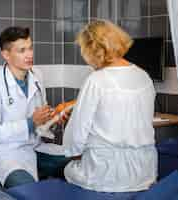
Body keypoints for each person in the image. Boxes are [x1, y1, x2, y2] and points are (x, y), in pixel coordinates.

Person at [63, 20, 158, 192]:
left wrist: (73, 152)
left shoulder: (96, 80)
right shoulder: (144, 76)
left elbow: (77, 133)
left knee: (68, 168)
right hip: (145, 172)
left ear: (92, 49)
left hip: (105, 174)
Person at [0, 26, 69, 190]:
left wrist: (52, 119)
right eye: (22, 50)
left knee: (76, 164)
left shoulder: (37, 76)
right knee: (27, 189)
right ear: (6, 55)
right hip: (6, 153)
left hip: (36, 147)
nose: (30, 54)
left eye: (30, 48)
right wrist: (30, 123)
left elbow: (40, 123)